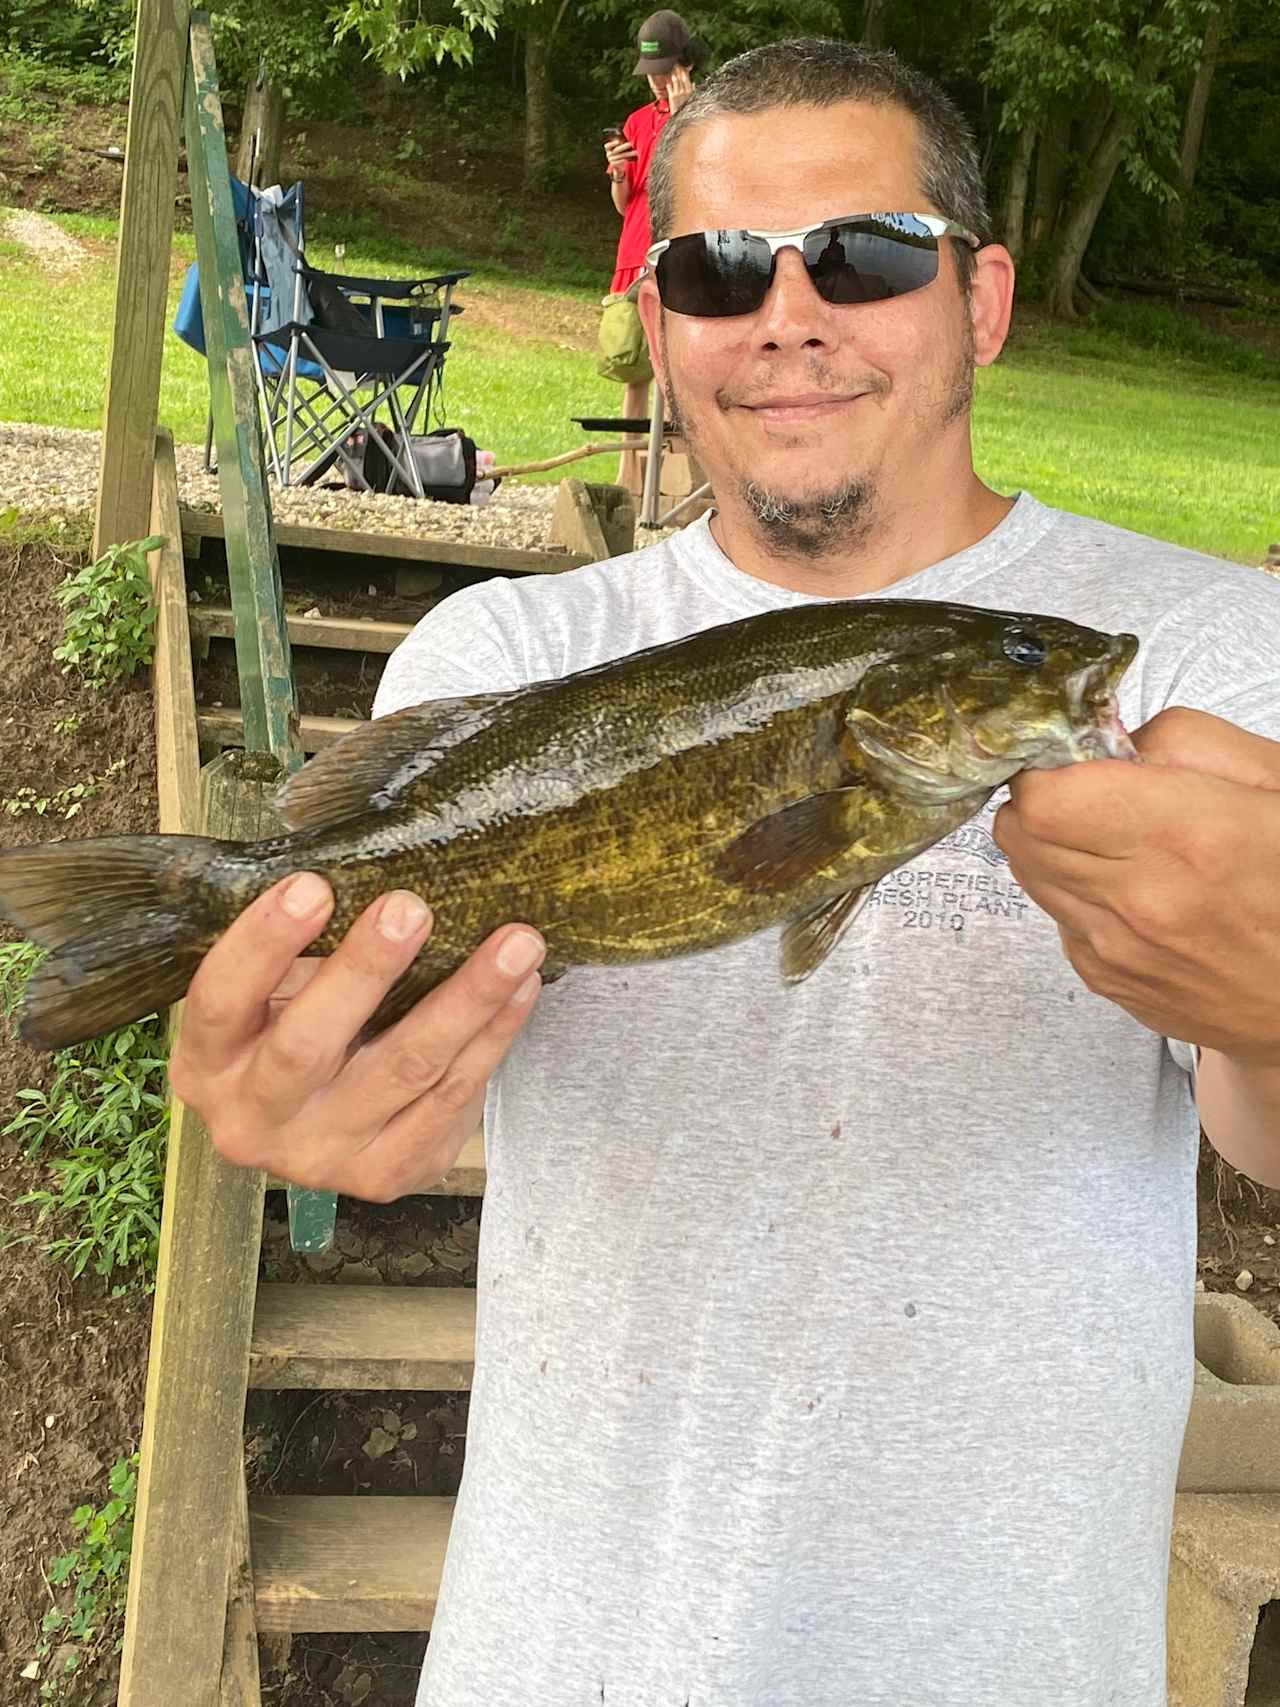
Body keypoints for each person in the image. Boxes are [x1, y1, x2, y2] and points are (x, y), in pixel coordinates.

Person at [169, 38, 1280, 1707]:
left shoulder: (1205, 651)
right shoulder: (511, 647)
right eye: (714, 271)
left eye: (867, 254)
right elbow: (402, 1047)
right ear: (666, 319)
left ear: (980, 299)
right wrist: (309, 1083)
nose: (786, 313)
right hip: (565, 1650)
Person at [602, 9, 695, 491]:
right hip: (634, 248)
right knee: (635, 364)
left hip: (674, 251)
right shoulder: (637, 121)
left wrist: (681, 119)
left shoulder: (703, 116)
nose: (657, 84)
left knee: (671, 368)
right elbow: (626, 203)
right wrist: (618, 171)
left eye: (665, 74)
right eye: (651, 75)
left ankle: (676, 476)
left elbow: (693, 180)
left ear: (686, 66)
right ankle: (628, 473)